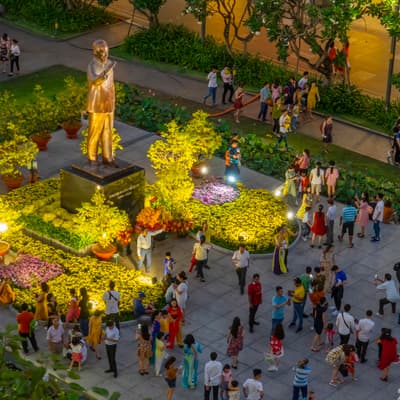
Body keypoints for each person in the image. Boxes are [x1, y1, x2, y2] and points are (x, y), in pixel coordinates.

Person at [86, 39, 117, 166]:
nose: (105, 53)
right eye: (102, 51)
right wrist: (105, 73)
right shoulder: (92, 65)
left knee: (108, 132)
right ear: (95, 52)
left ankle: (108, 157)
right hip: (97, 105)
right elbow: (94, 81)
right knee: (94, 132)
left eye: (106, 50)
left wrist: (113, 100)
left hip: (109, 104)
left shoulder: (109, 63)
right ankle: (92, 158)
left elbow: (111, 85)